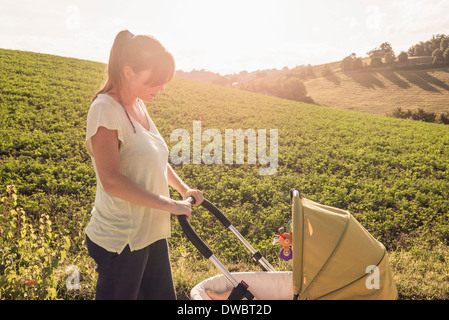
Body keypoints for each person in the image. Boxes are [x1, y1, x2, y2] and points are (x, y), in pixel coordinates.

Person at [84, 29, 203, 300]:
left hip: (151, 232)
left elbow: (156, 157)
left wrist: (183, 190)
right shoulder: (104, 110)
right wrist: (172, 205)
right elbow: (111, 180)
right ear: (128, 72)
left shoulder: (138, 105)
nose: (161, 89)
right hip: (122, 241)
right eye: (155, 81)